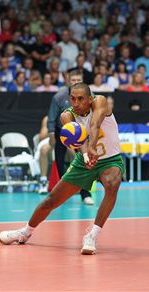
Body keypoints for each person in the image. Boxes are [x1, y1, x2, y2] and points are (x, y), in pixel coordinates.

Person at [0, 83, 125, 255]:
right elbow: (78, 141)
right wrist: (87, 155)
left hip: (110, 159)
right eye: (73, 98)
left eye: (81, 99)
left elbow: (94, 125)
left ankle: (92, 235)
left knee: (113, 182)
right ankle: (25, 232)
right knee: (51, 201)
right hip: (84, 162)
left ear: (89, 99)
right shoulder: (67, 116)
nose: (76, 102)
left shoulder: (100, 101)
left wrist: (92, 147)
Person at [41, 70, 94, 205]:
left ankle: (85, 193)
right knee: (59, 163)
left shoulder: (90, 97)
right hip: (62, 133)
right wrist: (52, 134)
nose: (76, 82)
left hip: (82, 133)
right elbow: (51, 118)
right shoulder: (59, 97)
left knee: (84, 161)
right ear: (68, 81)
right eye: (73, 80)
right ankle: (61, 194)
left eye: (78, 80)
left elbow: (93, 115)